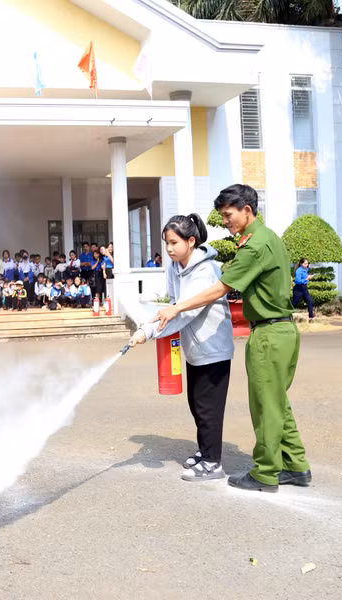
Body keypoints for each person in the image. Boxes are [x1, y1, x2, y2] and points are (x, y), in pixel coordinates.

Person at [151, 184, 310, 493]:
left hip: (269, 332)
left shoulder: (255, 245)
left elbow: (221, 288)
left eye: (228, 215)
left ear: (246, 210)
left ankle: (265, 473)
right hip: (280, 329)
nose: (224, 221)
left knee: (265, 405)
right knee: (278, 402)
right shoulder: (265, 238)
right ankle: (296, 466)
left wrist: (177, 307)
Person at [129, 214, 235, 482]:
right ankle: (205, 451)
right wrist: (151, 323)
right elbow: (174, 302)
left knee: (209, 407)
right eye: (166, 243)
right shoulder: (174, 267)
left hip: (213, 347)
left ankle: (213, 463)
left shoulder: (206, 271)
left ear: (191, 241)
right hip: (193, 347)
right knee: (196, 404)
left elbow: (186, 312)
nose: (169, 249)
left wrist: (148, 331)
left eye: (174, 242)